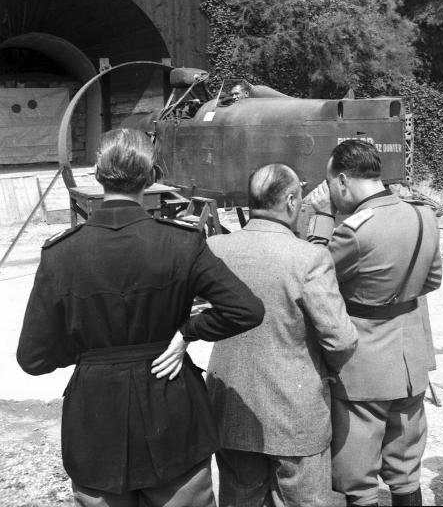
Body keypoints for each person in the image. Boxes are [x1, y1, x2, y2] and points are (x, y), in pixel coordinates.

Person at [17, 128, 265, 507]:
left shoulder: (61, 254)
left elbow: (33, 359)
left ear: (99, 176)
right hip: (172, 411)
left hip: (95, 420)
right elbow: (246, 309)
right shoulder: (182, 243)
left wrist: (89, 351)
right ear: (151, 176)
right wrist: (188, 331)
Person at [161, 162, 358, 507]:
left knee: (239, 499)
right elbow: (340, 339)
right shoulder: (310, 258)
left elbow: (186, 310)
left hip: (232, 405)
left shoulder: (217, 248)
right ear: (293, 200)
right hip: (296, 412)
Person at [306, 139, 442, 507]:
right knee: (405, 467)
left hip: (365, 363)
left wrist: (321, 217)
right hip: (411, 359)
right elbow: (432, 280)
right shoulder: (422, 215)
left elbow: (313, 275)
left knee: (358, 474)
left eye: (331, 184)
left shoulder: (354, 230)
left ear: (344, 181)